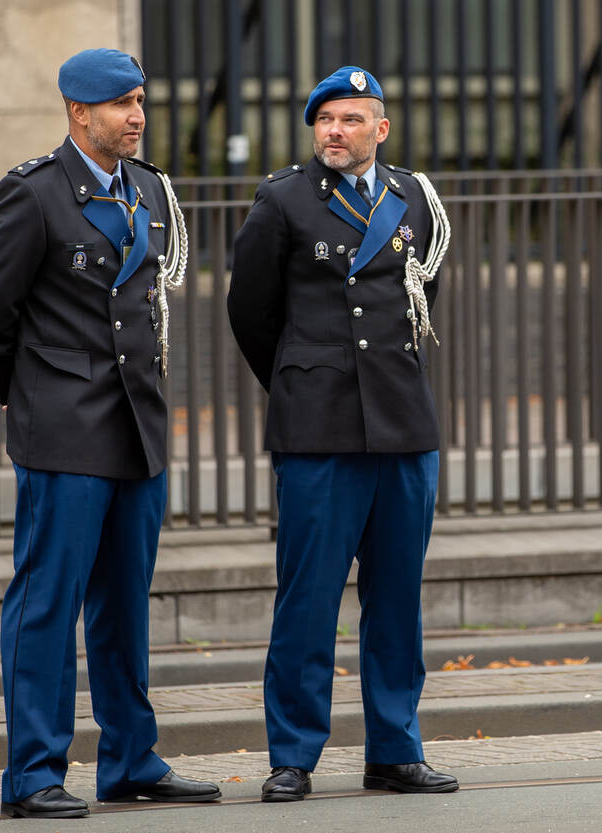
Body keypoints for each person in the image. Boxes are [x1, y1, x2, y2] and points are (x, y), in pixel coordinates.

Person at [0, 48, 219, 819]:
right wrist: (33, 397)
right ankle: (33, 772)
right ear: (79, 112)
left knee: (124, 606)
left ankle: (130, 758)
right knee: (47, 605)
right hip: (65, 435)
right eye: (120, 104)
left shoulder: (148, 190)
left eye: (140, 101)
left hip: (137, 429)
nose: (136, 116)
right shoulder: (33, 193)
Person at [228, 66, 457, 802]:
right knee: (308, 600)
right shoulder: (283, 200)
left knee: (397, 600)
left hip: (402, 427)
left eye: (351, 119)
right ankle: (292, 753)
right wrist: (303, 378)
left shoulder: (413, 197)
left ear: (380, 129)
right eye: (324, 119)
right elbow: (251, 312)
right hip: (319, 430)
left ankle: (394, 748)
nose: (335, 131)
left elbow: (419, 296)